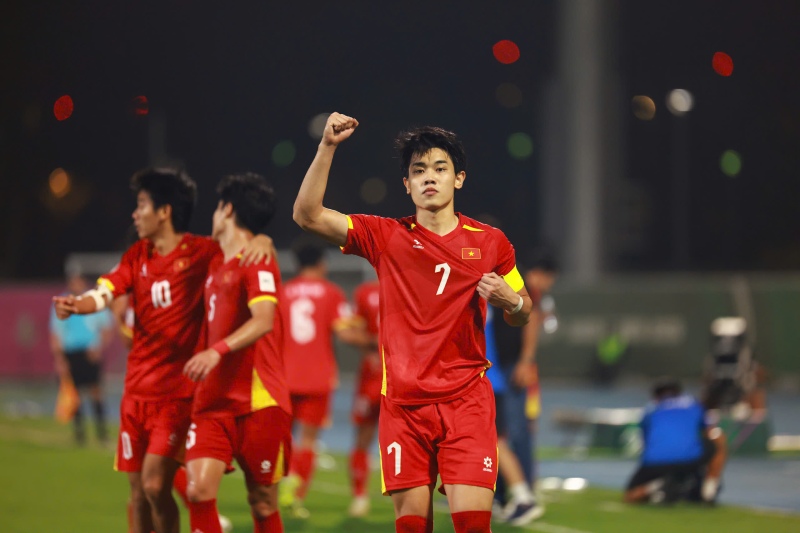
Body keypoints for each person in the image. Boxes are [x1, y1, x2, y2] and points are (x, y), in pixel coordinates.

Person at [293, 112, 533, 533]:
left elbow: (524, 310)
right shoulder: (385, 237)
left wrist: (510, 300)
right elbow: (307, 215)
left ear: (458, 179)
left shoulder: (491, 242)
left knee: (473, 525)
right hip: (404, 407)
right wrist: (327, 147)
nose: (429, 178)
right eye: (418, 171)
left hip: (467, 403)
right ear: (406, 184)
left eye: (440, 169)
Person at [53, 167, 272, 533]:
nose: (134, 214)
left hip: (176, 397)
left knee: (156, 484)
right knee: (138, 494)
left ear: (165, 211)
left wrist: (261, 240)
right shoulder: (137, 255)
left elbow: (240, 250)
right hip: (135, 394)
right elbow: (107, 288)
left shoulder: (203, 253)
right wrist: (81, 303)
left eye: (141, 205)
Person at [182, 172, 291, 533]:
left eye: (217, 207)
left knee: (262, 504)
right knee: (197, 491)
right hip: (213, 402)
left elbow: (263, 320)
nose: (213, 215)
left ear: (227, 209)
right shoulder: (211, 261)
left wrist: (216, 351)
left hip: (258, 401)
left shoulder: (256, 258)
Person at [278, 241, 363, 517]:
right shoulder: (331, 293)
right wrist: (377, 342)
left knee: (281, 438)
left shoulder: (283, 293)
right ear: (321, 264)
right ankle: (295, 495)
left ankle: (274, 485)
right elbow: (346, 334)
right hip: (317, 377)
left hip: (283, 376)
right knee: (308, 441)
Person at [624, 377, 727, 505]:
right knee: (718, 437)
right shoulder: (694, 404)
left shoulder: (650, 409)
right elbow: (710, 430)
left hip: (653, 462)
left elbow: (646, 441)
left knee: (630, 495)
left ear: (656, 395)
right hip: (689, 459)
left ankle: (656, 486)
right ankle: (709, 490)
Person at [484, 305, 541, 526]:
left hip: (483, 380)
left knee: (494, 441)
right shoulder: (482, 298)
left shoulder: (472, 297)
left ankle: (523, 497)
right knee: (487, 442)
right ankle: (499, 496)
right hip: (487, 379)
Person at [50, 270, 114, 445]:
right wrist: (60, 359)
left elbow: (107, 328)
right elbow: (55, 333)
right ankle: (80, 435)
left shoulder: (90, 301)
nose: (75, 285)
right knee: (74, 394)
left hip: (89, 353)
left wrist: (98, 346)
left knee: (96, 392)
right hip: (71, 353)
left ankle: (101, 434)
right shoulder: (63, 302)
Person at [347, 277, 381, 517]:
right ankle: (359, 495)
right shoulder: (366, 291)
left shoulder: (366, 291)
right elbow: (350, 332)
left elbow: (351, 333)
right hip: (375, 377)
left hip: (389, 376)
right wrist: (375, 344)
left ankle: (360, 497)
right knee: (363, 436)